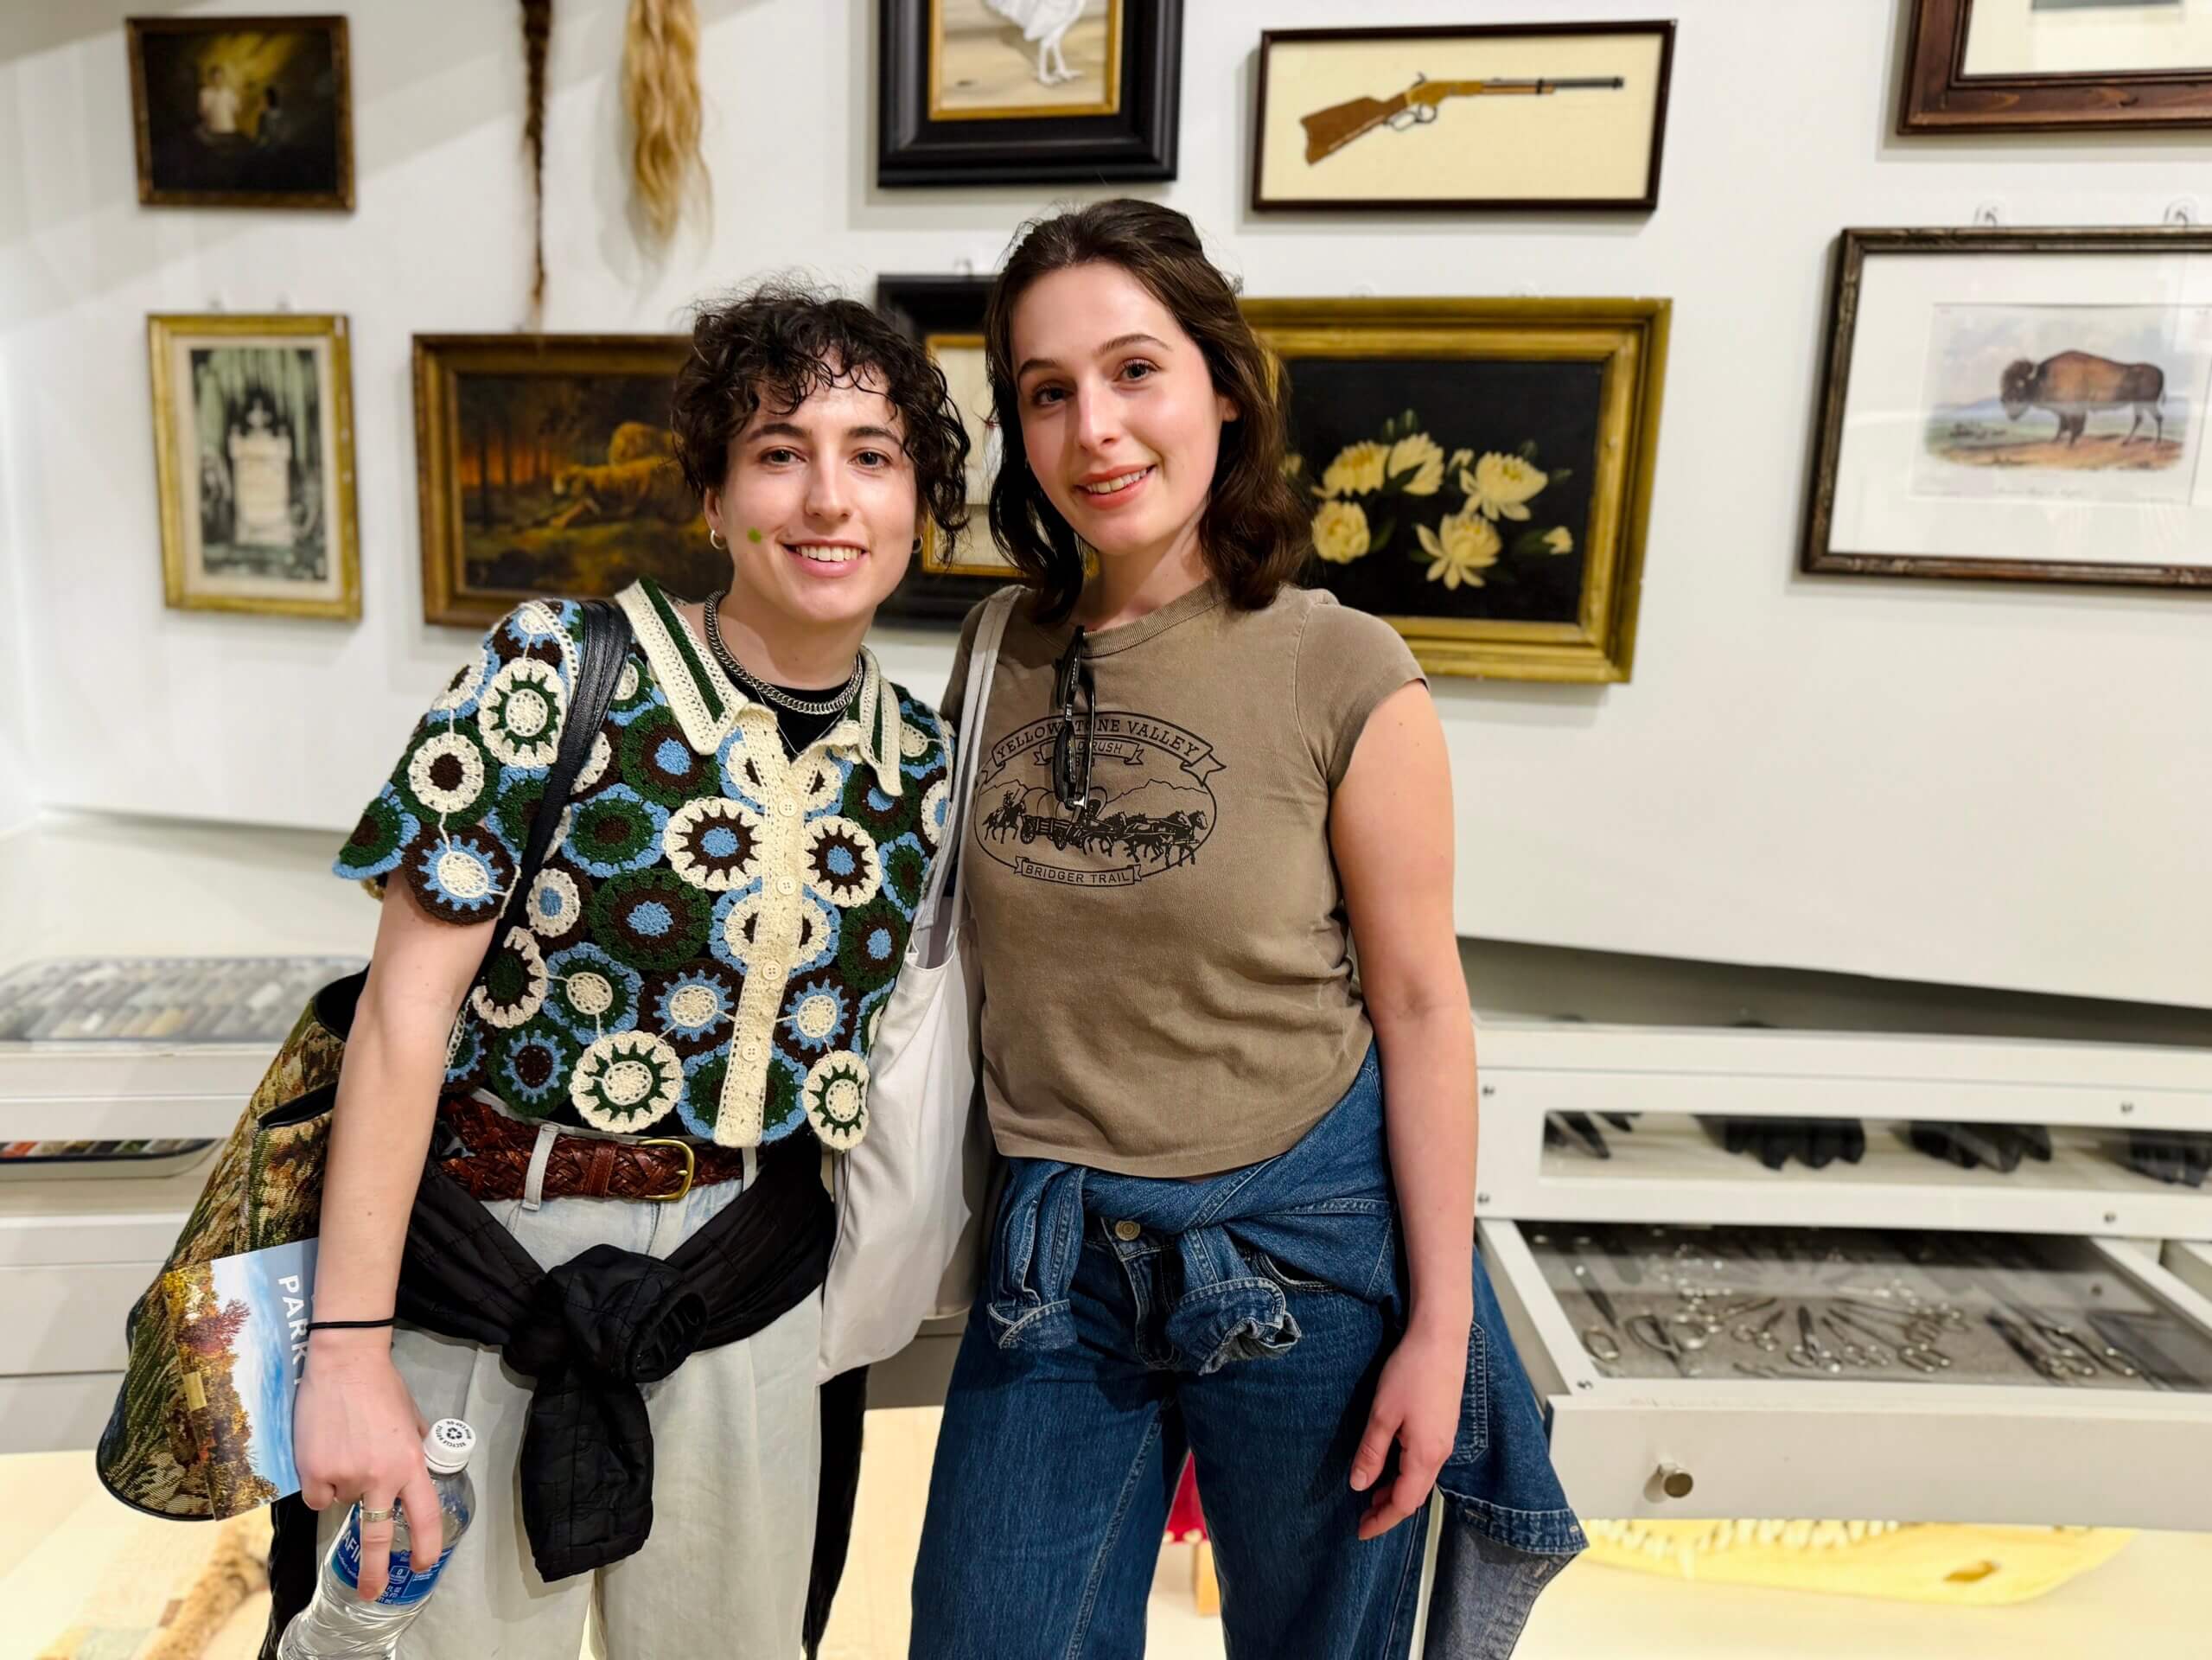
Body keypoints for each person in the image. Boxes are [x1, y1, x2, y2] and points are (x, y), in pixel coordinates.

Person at [910, 201, 1584, 1659]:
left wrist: (1441, 1327)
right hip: (1061, 1260)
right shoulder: (995, 653)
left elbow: (1419, 1005)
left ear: (1221, 381)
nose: (1096, 427)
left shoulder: (1343, 666)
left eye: (1134, 370)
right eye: (1048, 391)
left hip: (1308, 1248)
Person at [294, 282, 970, 1659]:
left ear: (919, 506)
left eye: (873, 456)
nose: (828, 499)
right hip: (487, 1269)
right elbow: (399, 1024)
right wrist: (348, 1353)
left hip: (741, 1293)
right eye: (780, 452)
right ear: (713, 500)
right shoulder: (557, 666)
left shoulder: (922, 764)